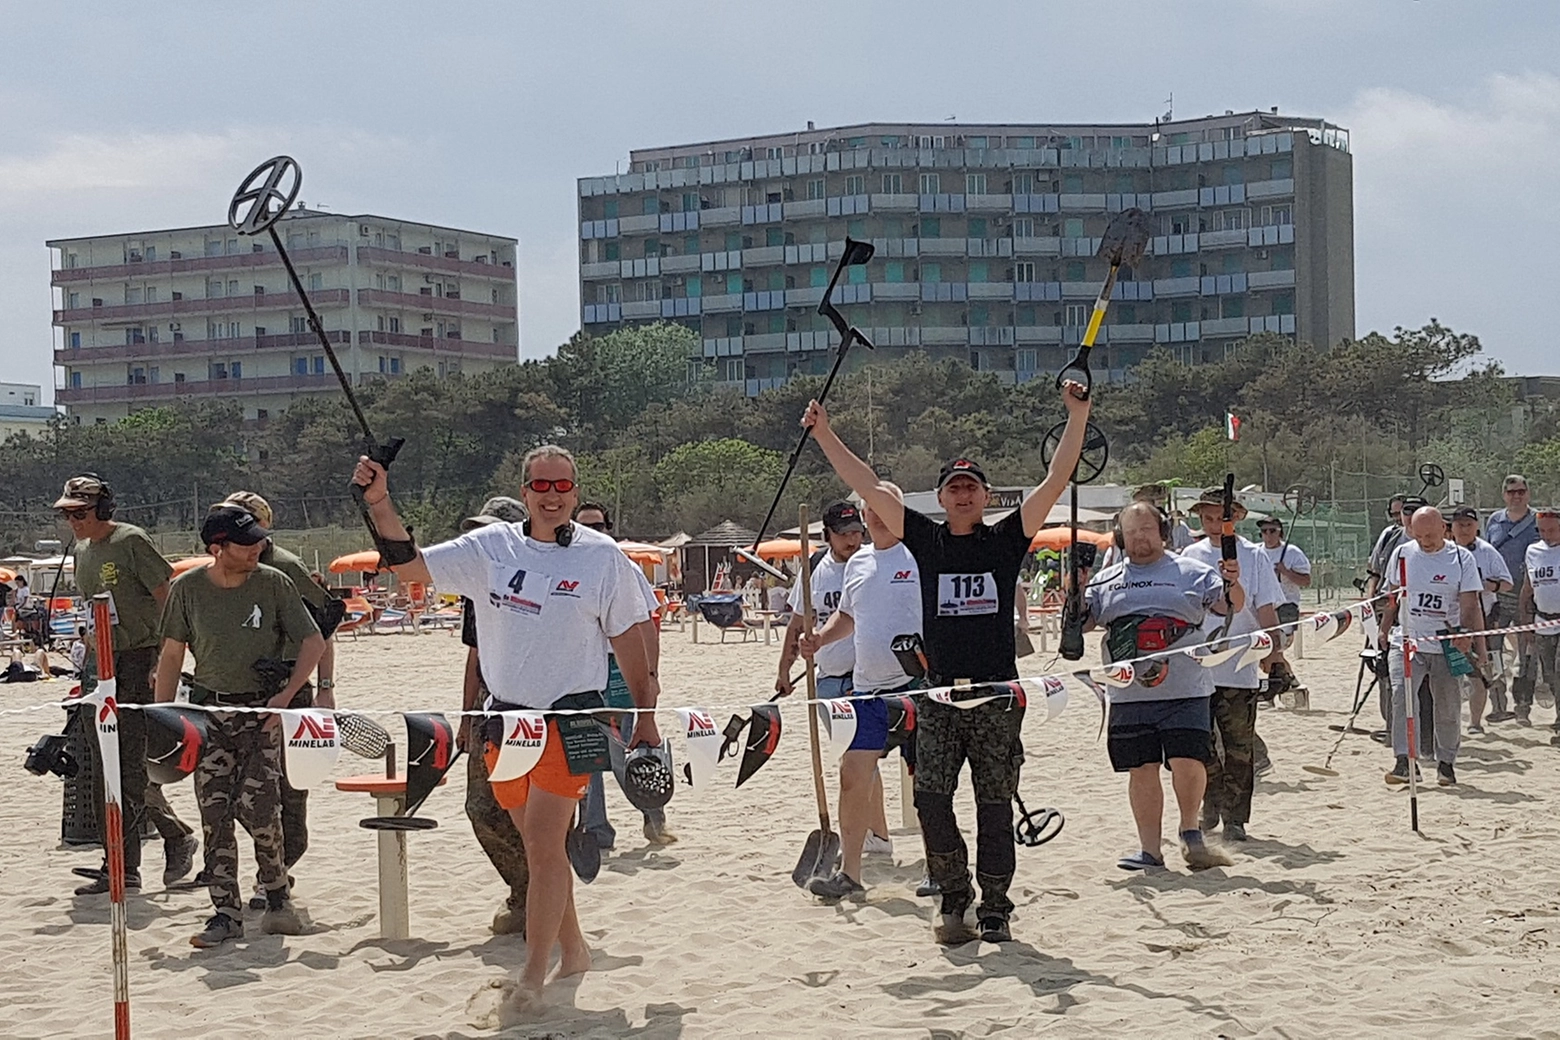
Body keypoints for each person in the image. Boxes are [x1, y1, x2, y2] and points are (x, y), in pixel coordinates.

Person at [351, 444, 658, 1009]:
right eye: (541, 486)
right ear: (524, 493)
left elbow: (630, 639)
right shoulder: (490, 547)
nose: (553, 497)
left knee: (544, 846)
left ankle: (533, 977)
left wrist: (646, 715)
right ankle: (576, 950)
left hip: (573, 717)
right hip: (504, 721)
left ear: (576, 492)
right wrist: (380, 502)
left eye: (563, 487)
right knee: (539, 848)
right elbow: (409, 564)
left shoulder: (601, 556)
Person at [803, 379, 1091, 945]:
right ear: (940, 498)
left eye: (972, 488)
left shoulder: (1007, 540)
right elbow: (864, 484)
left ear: (985, 497)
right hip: (935, 694)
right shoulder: (926, 542)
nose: (962, 495)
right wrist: (825, 434)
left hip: (996, 696)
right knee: (932, 801)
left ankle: (996, 908)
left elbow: (1056, 478)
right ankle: (954, 896)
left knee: (993, 805)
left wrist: (1077, 416)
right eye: (954, 488)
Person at [154, 505, 325, 947]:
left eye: (260, 541)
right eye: (247, 543)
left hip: (261, 715)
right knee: (214, 812)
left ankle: (276, 896)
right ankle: (224, 914)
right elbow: (172, 655)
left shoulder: (274, 583)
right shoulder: (187, 590)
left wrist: (287, 695)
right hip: (210, 716)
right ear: (218, 548)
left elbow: (313, 639)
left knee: (263, 809)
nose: (258, 548)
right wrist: (163, 717)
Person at [57, 475, 199, 894]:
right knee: (102, 767)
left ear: (103, 509)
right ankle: (130, 855)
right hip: (100, 664)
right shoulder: (83, 550)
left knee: (129, 766)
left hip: (138, 660)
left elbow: (167, 597)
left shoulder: (131, 541)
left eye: (80, 512)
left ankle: (134, 859)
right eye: (68, 514)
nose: (74, 521)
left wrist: (163, 659)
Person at [1081, 502, 1240, 871]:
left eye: (1146, 529)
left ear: (1163, 532)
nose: (1139, 537)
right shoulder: (1105, 581)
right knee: (1141, 768)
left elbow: (1229, 605)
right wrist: (1074, 599)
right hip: (1128, 691)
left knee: (1188, 760)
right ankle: (1150, 851)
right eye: (1131, 531)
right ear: (1121, 536)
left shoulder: (1192, 572)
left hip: (1185, 688)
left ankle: (1190, 832)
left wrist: (1233, 581)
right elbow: (1082, 627)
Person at [798, 484, 922, 900]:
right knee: (853, 777)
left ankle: (940, 866)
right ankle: (850, 872)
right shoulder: (859, 563)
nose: (879, 516)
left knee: (928, 783)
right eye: (873, 509)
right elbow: (847, 616)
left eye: (889, 507)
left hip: (918, 686)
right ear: (866, 514)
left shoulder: (920, 554)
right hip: (866, 689)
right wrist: (820, 639)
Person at [219, 491, 339, 908]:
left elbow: (323, 628)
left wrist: (325, 689)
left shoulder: (286, 568)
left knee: (289, 789)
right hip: (239, 694)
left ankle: (277, 873)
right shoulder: (222, 571)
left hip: (289, 688)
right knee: (236, 789)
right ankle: (268, 870)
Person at [1182, 489, 1283, 841]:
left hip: (1241, 663)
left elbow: (1266, 609)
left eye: (1219, 518)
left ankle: (1236, 818)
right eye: (1206, 518)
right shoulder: (1190, 555)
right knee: (1202, 745)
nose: (1212, 525)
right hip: (1198, 665)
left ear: (1236, 517)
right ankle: (1211, 803)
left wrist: (1276, 655)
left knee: (1239, 748)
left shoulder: (1255, 557)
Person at [574, 501, 676, 849]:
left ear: (609, 529)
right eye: (586, 526)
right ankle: (596, 831)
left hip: (619, 671)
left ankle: (654, 818)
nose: (593, 533)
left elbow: (647, 625)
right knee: (587, 757)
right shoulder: (566, 568)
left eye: (599, 526)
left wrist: (650, 676)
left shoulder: (624, 568)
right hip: (582, 675)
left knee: (627, 755)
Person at [454, 496, 532, 935]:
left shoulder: (550, 579)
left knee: (540, 810)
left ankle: (544, 896)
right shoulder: (479, 586)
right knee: (482, 808)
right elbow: (475, 657)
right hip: (489, 712)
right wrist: (467, 719)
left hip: (540, 713)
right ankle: (523, 890)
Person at [1377, 507, 1484, 787]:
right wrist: (1384, 627)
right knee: (1401, 695)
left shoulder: (1461, 558)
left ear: (1444, 529)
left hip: (1446, 642)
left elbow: (1470, 601)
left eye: (1430, 535)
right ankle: (1404, 760)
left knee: (1447, 705)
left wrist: (1465, 633)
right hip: (1408, 640)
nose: (1424, 541)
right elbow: (1392, 594)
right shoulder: (1402, 554)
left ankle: (1446, 762)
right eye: (1418, 534)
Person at [1449, 505, 1512, 733]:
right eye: (1460, 524)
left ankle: (1476, 721)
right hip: (1451, 621)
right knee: (1452, 673)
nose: (1464, 529)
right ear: (1452, 527)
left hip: (1483, 620)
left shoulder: (1487, 552)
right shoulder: (1444, 551)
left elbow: (1507, 582)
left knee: (1482, 671)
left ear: (1476, 526)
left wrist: (1484, 586)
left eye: (1468, 524)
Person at [1487, 475, 1540, 724]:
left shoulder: (1539, 521)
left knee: (1526, 656)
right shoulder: (1494, 521)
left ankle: (1523, 706)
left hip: (1528, 599)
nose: (1516, 496)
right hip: (1497, 598)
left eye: (1521, 491)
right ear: (1504, 494)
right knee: (1492, 653)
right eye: (1511, 492)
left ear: (1528, 493)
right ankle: (1498, 704)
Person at [1257, 516, 1311, 696]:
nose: (1268, 535)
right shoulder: (1256, 552)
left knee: (1275, 648)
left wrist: (1285, 572)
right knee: (1265, 650)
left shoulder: (1292, 552)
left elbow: (1306, 580)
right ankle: (1290, 682)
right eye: (1264, 531)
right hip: (1263, 607)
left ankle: (1283, 684)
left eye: (1272, 530)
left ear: (1280, 532)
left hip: (1286, 606)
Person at [1518, 509, 1560, 744]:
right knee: (1550, 675)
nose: (1546, 535)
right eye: (1542, 530)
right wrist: (1526, 622)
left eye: (1552, 530)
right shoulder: (1533, 551)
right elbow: (1528, 587)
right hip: (1543, 620)